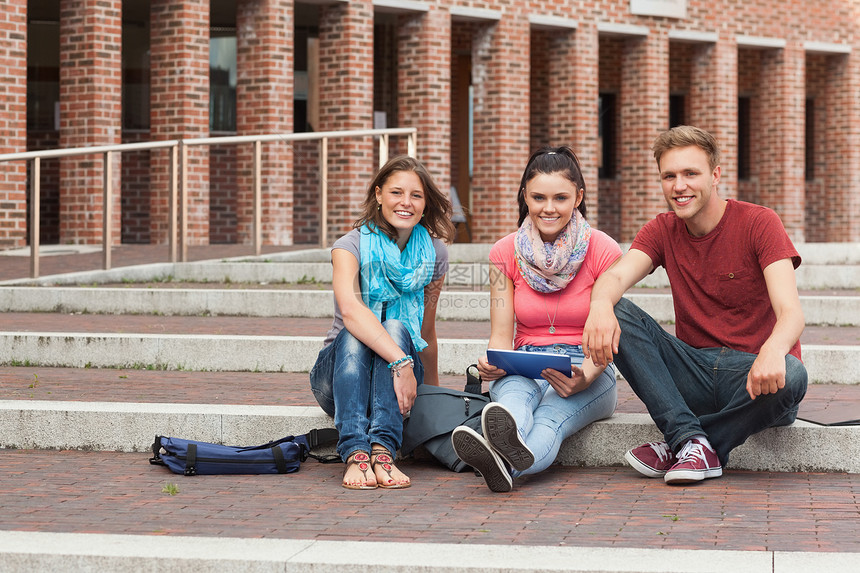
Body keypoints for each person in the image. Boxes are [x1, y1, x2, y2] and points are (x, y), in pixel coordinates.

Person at [582, 125, 808, 485]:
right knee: (618, 310)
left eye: (690, 173)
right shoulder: (661, 229)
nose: (679, 186)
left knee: (794, 373)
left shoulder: (759, 223)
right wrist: (599, 306)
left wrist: (773, 349)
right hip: (694, 370)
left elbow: (792, 313)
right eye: (669, 176)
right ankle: (692, 441)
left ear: (715, 175)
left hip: (753, 378)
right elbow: (614, 278)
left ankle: (685, 441)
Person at [451, 146, 622, 492]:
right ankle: (504, 456)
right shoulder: (503, 252)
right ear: (525, 197)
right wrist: (493, 363)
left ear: (578, 198)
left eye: (560, 197)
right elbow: (501, 334)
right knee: (513, 403)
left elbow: (610, 333)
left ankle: (499, 463)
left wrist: (586, 377)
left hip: (587, 365)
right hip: (524, 361)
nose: (549, 208)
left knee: (550, 418)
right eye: (539, 197)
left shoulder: (605, 250)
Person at [309, 155, 454, 490]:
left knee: (397, 328)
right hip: (342, 375)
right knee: (360, 327)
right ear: (378, 194)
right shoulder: (350, 246)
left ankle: (382, 451)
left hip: (396, 385)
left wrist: (429, 399)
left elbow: (426, 331)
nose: (406, 203)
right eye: (396, 193)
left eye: (416, 195)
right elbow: (351, 310)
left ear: (425, 203)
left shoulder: (435, 254)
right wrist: (401, 362)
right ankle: (357, 452)